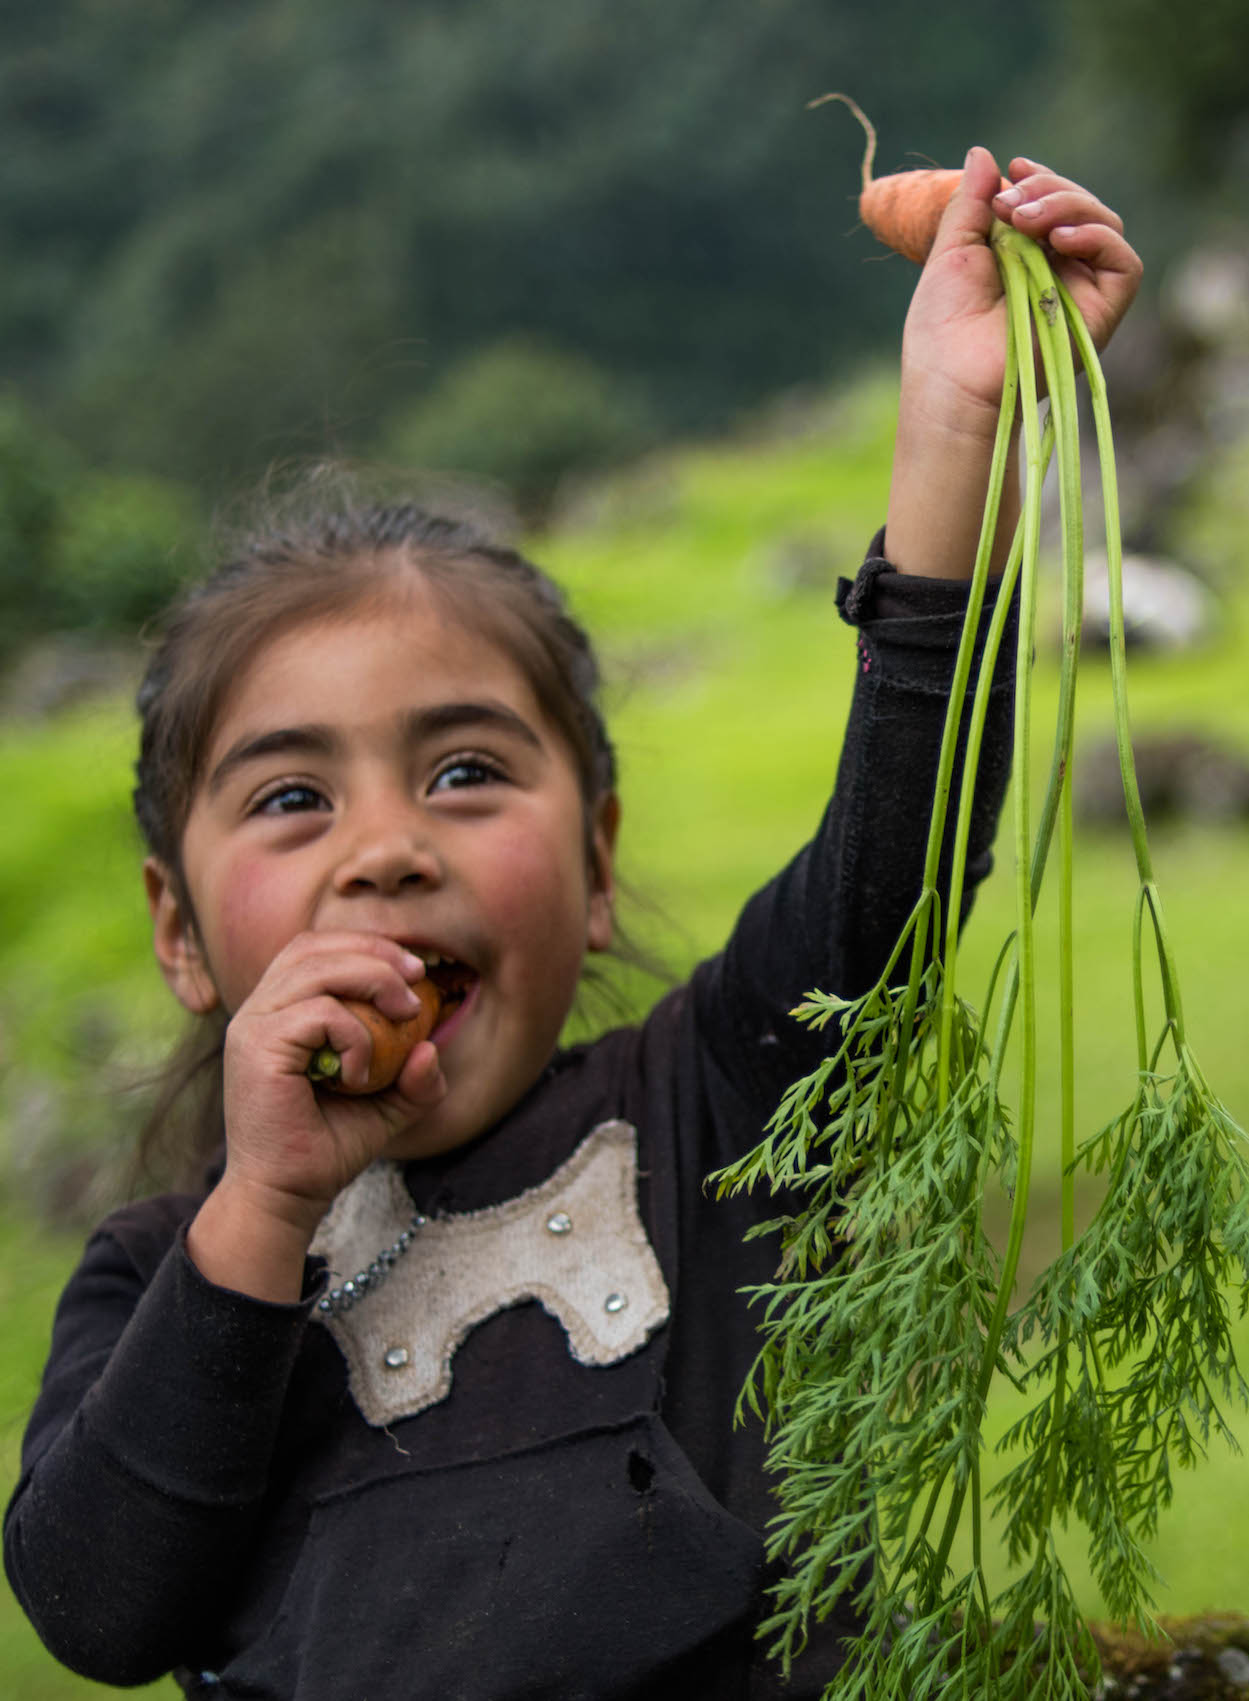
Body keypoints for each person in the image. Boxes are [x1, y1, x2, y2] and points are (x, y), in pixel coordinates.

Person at [4, 150, 1140, 1700]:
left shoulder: (714, 1102)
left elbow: (903, 852)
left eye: (466, 770)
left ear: (597, 859)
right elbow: (95, 1606)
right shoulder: (163, 1273)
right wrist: (263, 1208)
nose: (387, 849)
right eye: (290, 800)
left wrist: (958, 419)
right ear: (181, 932)